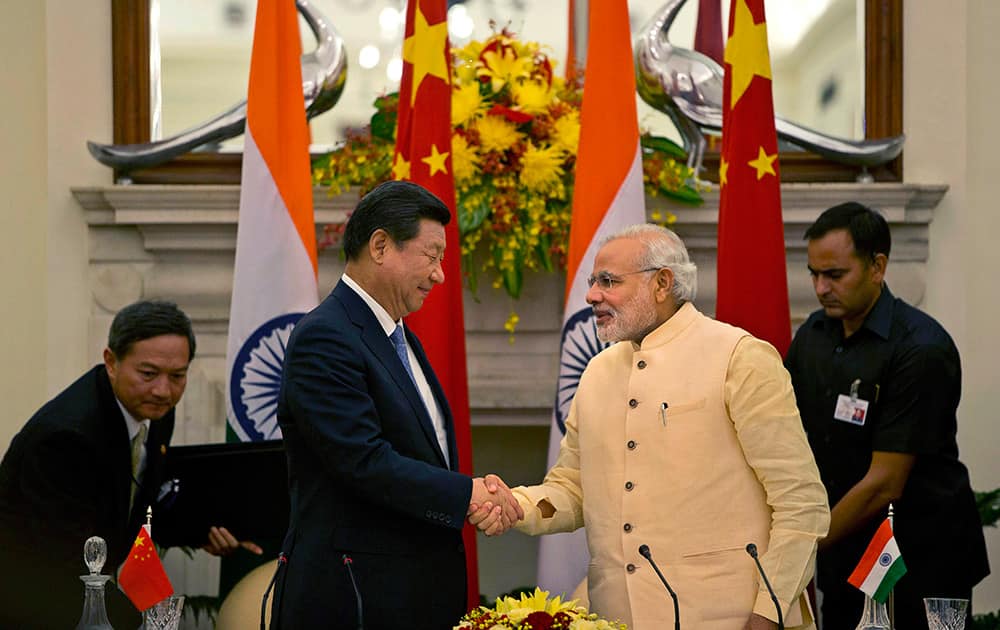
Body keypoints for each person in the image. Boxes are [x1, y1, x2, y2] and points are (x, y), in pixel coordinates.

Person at [475, 224, 830, 630]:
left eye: (608, 281)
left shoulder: (739, 357)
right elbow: (572, 488)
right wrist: (514, 504)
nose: (592, 295)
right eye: (593, 282)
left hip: (732, 620)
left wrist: (769, 612)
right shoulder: (597, 372)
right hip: (616, 619)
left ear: (662, 283)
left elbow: (802, 504)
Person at [269, 181, 522, 630]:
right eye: (432, 255)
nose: (440, 274)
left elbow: (422, 455)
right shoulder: (326, 336)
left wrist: (469, 490)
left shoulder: (400, 337)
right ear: (381, 246)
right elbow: (362, 461)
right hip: (354, 600)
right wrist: (468, 495)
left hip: (409, 593)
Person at [785, 202, 989, 630]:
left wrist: (805, 542)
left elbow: (885, 483)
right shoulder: (813, 337)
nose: (821, 288)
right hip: (849, 554)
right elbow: (787, 436)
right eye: (814, 274)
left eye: (835, 275)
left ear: (877, 266)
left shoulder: (921, 348)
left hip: (924, 560)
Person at [0, 300, 261, 630]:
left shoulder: (151, 407)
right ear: (111, 361)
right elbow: (64, 565)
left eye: (177, 375)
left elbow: (135, 499)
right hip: (30, 594)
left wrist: (200, 532)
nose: (163, 390)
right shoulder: (66, 439)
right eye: (148, 373)